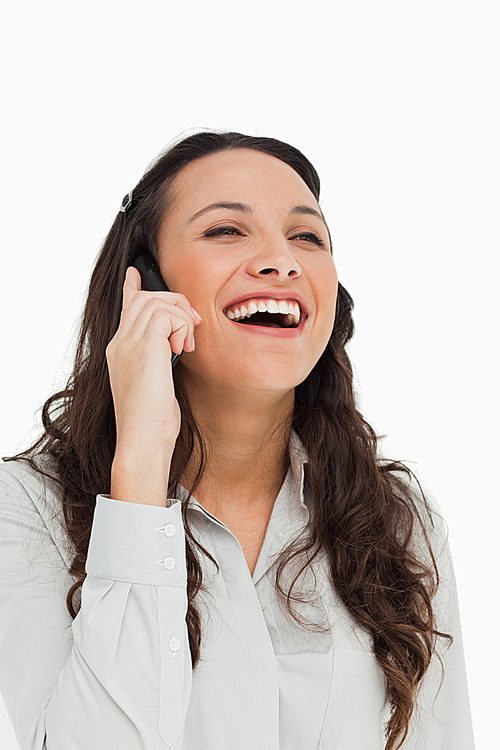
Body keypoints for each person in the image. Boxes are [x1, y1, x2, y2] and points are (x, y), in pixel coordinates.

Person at [0, 131, 475, 750]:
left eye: (307, 237)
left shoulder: (398, 517)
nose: (282, 260)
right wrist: (140, 463)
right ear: (142, 283)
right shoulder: (25, 509)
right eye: (226, 230)